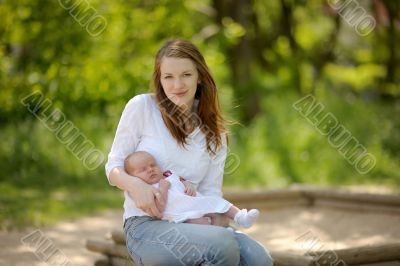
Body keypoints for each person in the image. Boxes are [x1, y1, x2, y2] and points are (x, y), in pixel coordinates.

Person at [105, 39, 273, 265]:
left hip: (195, 223)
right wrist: (135, 185)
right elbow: (113, 166)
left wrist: (215, 222)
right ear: (159, 79)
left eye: (186, 74)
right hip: (147, 225)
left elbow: (211, 194)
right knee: (223, 245)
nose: (177, 85)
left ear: (200, 76)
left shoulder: (215, 134)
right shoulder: (142, 107)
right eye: (168, 77)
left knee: (258, 258)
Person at [124, 150, 260, 228]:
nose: (150, 169)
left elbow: (181, 180)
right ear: (133, 177)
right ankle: (222, 233)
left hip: (194, 202)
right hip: (180, 215)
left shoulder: (168, 174)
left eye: (152, 165)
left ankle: (241, 217)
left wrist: (189, 185)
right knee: (197, 224)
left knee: (218, 202)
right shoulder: (147, 190)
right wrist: (163, 189)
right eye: (143, 169)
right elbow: (158, 210)